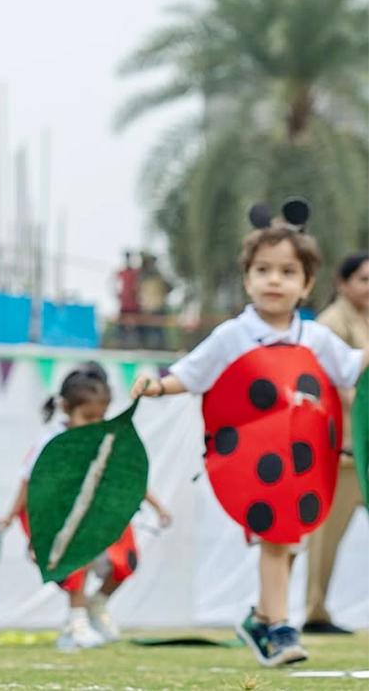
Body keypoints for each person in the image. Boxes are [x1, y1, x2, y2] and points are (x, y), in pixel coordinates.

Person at [132, 219, 369, 668]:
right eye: (263, 270)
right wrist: (157, 386)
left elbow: (351, 369)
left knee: (286, 541)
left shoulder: (316, 338)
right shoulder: (232, 336)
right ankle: (280, 629)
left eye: (286, 271)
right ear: (247, 278)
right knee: (277, 540)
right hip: (253, 459)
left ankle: (260, 618)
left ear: (307, 284)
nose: (274, 280)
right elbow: (191, 373)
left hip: (301, 461)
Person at [0, 363, 172, 650]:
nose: (95, 423)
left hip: (98, 514)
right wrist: (9, 516)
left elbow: (127, 478)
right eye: (87, 417)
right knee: (79, 558)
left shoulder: (104, 440)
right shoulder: (51, 442)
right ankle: (76, 621)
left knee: (125, 562)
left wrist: (158, 506)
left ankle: (96, 603)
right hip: (62, 519)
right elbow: (29, 482)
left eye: (100, 417)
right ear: (66, 408)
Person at [304, 252, 369, 634]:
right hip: (343, 451)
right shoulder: (331, 324)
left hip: (366, 449)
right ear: (342, 284)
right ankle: (314, 611)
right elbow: (343, 386)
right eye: (362, 279)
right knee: (324, 537)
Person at [137, 252, 172, 350]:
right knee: (146, 331)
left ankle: (160, 348)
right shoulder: (142, 277)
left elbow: (169, 287)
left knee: (158, 332)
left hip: (157, 307)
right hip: (147, 308)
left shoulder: (158, 277)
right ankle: (144, 348)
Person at [115, 251, 141, 348]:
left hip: (134, 305)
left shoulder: (136, 273)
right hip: (125, 305)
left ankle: (136, 344)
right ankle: (120, 343)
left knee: (137, 326)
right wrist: (118, 295)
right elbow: (115, 285)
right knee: (121, 327)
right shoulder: (121, 273)